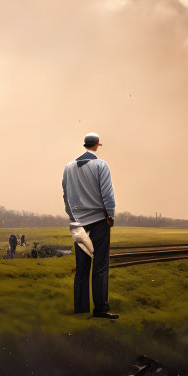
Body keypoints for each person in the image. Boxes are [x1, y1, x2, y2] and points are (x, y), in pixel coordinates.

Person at [62, 133, 118, 319]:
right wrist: (110, 215)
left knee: (82, 267)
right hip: (98, 221)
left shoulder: (68, 167)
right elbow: (107, 193)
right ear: (96, 146)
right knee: (100, 267)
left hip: (78, 223)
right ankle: (100, 309)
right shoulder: (101, 165)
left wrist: (73, 216)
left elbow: (65, 195)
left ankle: (80, 308)